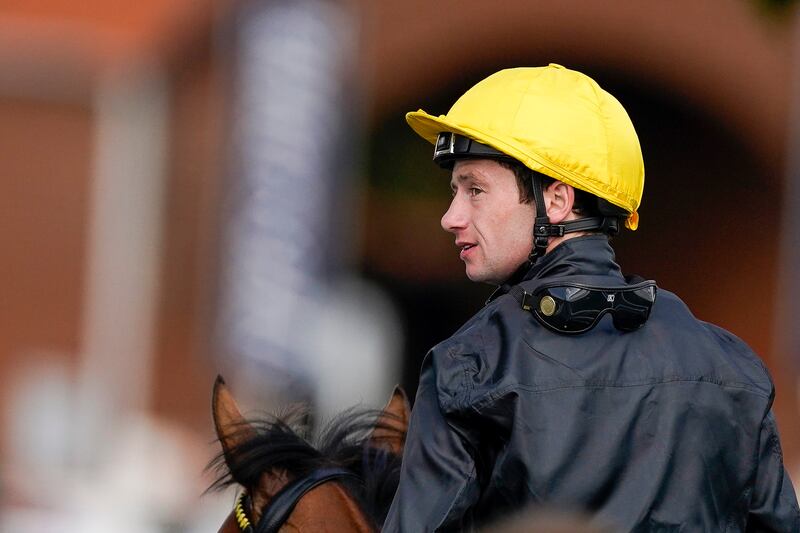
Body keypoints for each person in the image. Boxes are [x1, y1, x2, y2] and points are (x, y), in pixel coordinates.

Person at [382, 64, 800, 532]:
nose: (451, 216)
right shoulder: (734, 367)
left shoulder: (469, 366)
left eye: (475, 189)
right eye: (454, 191)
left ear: (557, 201)